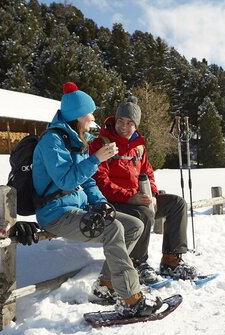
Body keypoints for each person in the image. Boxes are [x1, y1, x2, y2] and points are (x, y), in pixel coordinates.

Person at [32, 83, 161, 317]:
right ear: (79, 115)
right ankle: (130, 298)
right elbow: (66, 181)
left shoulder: (78, 139)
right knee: (112, 229)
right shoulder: (53, 142)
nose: (93, 117)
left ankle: (107, 285)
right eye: (90, 113)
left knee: (135, 225)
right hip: (57, 214)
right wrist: (96, 159)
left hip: (78, 208)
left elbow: (88, 181)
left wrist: (102, 203)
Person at [89, 96, 197, 286]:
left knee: (177, 204)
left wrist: (153, 195)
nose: (124, 126)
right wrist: (130, 197)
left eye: (130, 123)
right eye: (121, 121)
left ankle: (171, 260)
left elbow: (147, 172)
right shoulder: (102, 143)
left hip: (137, 198)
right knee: (145, 213)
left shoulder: (138, 146)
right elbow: (100, 181)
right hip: (112, 201)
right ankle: (138, 263)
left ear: (136, 125)